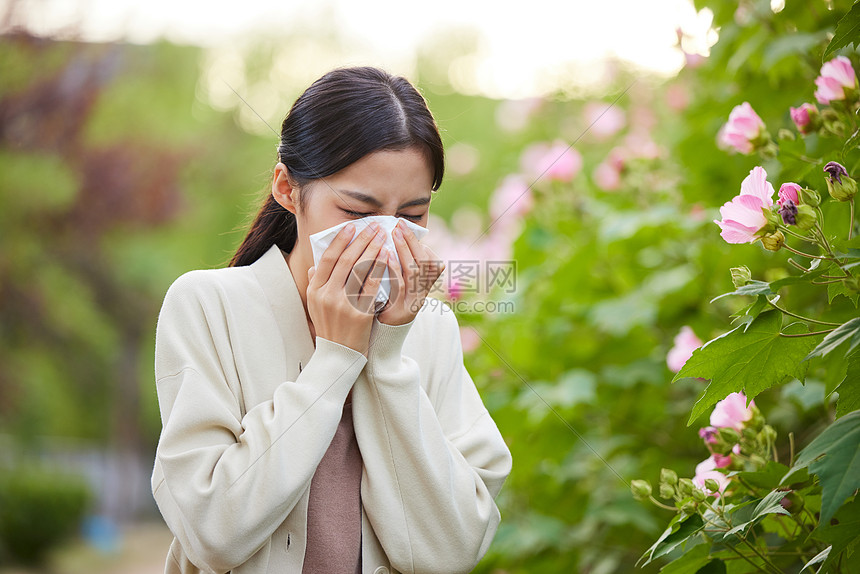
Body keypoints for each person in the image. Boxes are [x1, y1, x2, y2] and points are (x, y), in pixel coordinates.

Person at [150, 66, 513, 574]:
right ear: (287, 189)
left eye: (411, 216)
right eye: (357, 212)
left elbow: (452, 550)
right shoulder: (208, 307)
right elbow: (213, 532)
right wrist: (335, 362)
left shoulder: (428, 330)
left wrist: (385, 358)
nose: (383, 238)